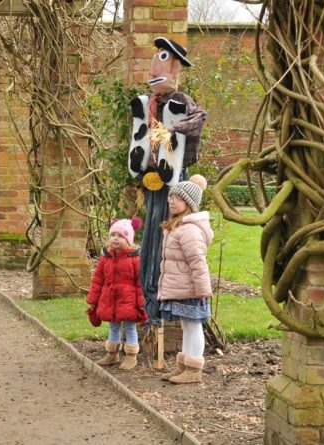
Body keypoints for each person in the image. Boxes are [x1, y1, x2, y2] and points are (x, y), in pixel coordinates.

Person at [127, 37, 207, 325]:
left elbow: (200, 118)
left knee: (167, 239)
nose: (152, 73)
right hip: (151, 182)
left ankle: (162, 305)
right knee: (149, 238)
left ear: (176, 69)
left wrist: (173, 131)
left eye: (161, 62)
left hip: (172, 181)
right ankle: (147, 303)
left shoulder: (181, 101)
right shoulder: (149, 104)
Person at [157, 175, 213, 384]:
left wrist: (202, 290)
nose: (171, 201)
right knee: (186, 326)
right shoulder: (177, 226)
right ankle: (184, 366)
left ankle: (194, 369)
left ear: (188, 203)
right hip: (182, 287)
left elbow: (197, 262)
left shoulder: (189, 230)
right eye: (171, 197)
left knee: (193, 325)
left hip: (191, 289)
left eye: (177, 198)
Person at [86, 218, 149, 370]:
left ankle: (131, 356)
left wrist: (141, 304)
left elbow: (140, 283)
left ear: (129, 239)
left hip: (128, 301)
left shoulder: (135, 259)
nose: (115, 238)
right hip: (110, 299)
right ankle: (112, 353)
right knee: (113, 327)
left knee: (130, 328)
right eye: (113, 234)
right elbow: (98, 279)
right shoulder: (106, 257)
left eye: (120, 236)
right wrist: (93, 299)